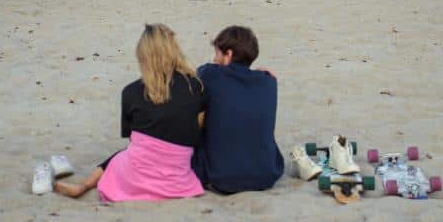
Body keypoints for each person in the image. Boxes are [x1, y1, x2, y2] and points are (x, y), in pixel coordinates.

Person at [53, 24, 206, 201]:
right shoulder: (195, 85)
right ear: (174, 51)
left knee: (123, 154)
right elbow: (199, 123)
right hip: (177, 177)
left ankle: (84, 186)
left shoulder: (131, 92)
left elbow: (132, 137)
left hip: (135, 174)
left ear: (142, 56)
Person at [191, 26, 284, 194]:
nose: (215, 58)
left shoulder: (210, 75)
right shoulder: (269, 82)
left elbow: (199, 72)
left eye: (218, 53)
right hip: (266, 175)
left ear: (229, 55)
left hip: (221, 177)